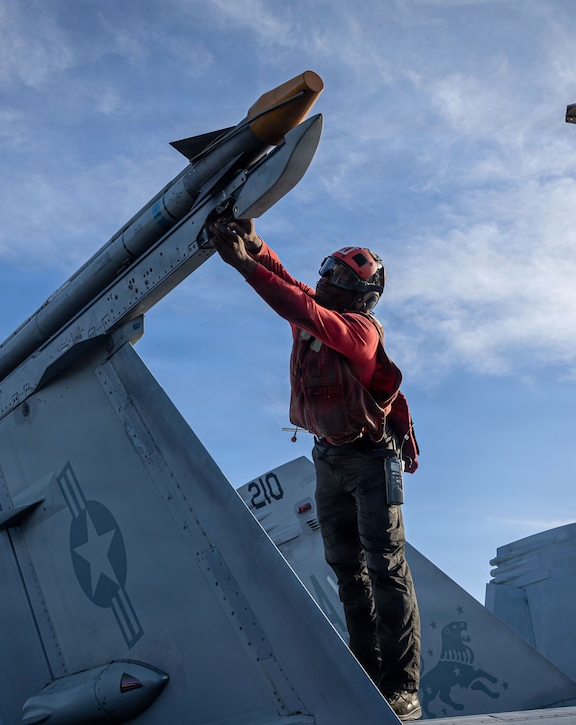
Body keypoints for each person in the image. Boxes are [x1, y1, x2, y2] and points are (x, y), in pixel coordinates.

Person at [206, 214, 422, 721]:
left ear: (360, 296)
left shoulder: (358, 331)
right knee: (347, 571)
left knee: (385, 569)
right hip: (328, 458)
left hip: (370, 461)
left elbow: (295, 300)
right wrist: (254, 245)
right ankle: (369, 678)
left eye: (340, 277)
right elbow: (289, 283)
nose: (325, 280)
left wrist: (245, 267)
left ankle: (403, 688)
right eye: (328, 270)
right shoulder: (318, 308)